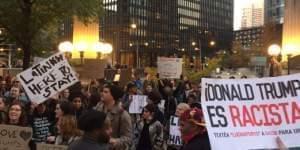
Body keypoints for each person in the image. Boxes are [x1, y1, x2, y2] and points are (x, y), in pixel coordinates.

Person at [94, 84, 132, 150]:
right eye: (102, 91)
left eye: (106, 92)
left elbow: (128, 139)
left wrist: (115, 141)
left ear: (113, 96)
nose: (102, 94)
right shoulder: (97, 109)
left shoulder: (123, 115)